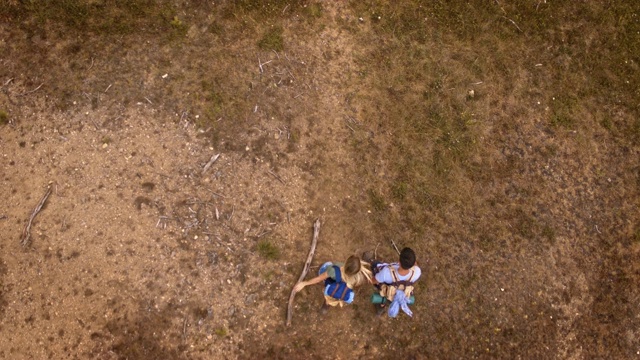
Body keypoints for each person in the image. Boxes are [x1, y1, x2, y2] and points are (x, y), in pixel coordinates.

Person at [293, 255, 372, 313]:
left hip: (332, 283)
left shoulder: (334, 270)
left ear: (347, 261)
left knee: (327, 265)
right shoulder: (356, 278)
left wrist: (304, 283)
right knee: (334, 295)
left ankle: (326, 303)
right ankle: (325, 307)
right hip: (340, 290)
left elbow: (318, 279)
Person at [367, 247, 421, 317]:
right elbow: (416, 266)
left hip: (388, 290)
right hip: (401, 293)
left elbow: (373, 281)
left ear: (399, 261)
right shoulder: (417, 272)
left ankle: (371, 261)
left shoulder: (386, 272)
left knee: (376, 265)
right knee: (389, 299)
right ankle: (381, 306)